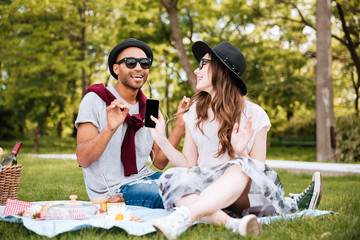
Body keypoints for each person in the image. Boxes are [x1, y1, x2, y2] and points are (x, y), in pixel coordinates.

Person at [149, 41, 323, 239]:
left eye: (203, 64)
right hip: (208, 189)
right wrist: (161, 140)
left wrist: (242, 153)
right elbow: (188, 164)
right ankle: (232, 225)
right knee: (170, 176)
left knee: (240, 165)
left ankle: (187, 214)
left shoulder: (254, 114)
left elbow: (259, 172)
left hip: (245, 194)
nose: (197, 70)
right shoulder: (194, 115)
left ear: (221, 70)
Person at [75, 38, 189, 208]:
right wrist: (110, 128)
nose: (138, 68)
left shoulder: (149, 107)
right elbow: (83, 158)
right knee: (173, 195)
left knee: (192, 181)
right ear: (116, 68)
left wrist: (180, 122)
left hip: (146, 177)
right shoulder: (95, 99)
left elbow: (158, 162)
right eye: (130, 63)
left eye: (144, 63)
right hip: (114, 190)